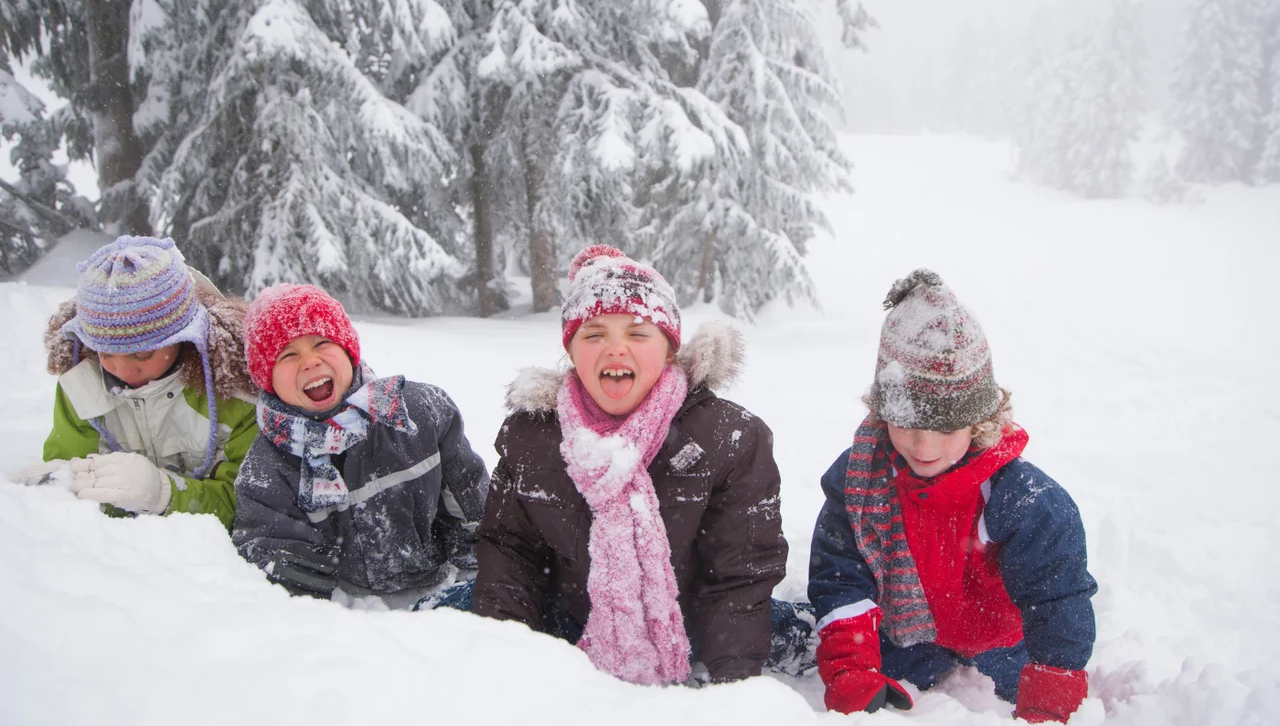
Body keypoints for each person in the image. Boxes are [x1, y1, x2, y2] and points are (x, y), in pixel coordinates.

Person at [472, 245, 792, 686]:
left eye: (638, 334)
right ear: (571, 352)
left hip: (695, 630)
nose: (615, 349)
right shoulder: (532, 438)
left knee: (789, 633)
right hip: (572, 622)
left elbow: (741, 575)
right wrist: (507, 660)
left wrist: (733, 687)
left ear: (668, 352)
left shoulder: (728, 437)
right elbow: (511, 553)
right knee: (443, 622)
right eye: (594, 334)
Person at [808, 269, 1096, 723]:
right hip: (906, 640)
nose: (925, 447)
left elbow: (1058, 602)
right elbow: (841, 578)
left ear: (979, 420)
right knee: (802, 634)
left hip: (1002, 648)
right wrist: (852, 670)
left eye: (945, 427)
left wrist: (1048, 699)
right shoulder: (861, 478)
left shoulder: (1023, 498)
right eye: (907, 425)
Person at [231, 283, 489, 605]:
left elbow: (473, 509)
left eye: (322, 343)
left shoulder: (419, 413)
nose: (310, 361)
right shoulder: (268, 468)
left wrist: (479, 585)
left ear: (348, 350)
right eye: (288, 354)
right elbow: (283, 571)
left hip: (441, 592)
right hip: (351, 619)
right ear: (267, 379)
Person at [12, 236, 257, 530]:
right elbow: (76, 493)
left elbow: (249, 507)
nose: (124, 369)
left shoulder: (234, 392)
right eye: (106, 353)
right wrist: (58, 488)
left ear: (185, 337)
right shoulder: (81, 386)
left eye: (142, 353)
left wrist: (164, 494)